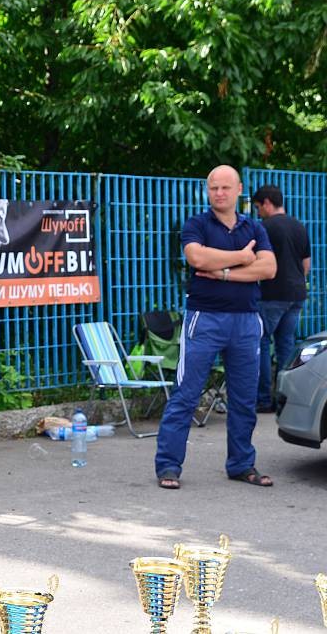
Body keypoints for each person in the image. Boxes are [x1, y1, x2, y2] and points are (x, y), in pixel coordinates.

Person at [154, 165, 277, 490]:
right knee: (186, 394)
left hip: (246, 321)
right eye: (213, 188)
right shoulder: (197, 224)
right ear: (207, 191)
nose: (219, 193)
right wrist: (242, 257)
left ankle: (241, 464)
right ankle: (168, 466)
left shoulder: (254, 226)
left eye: (225, 187)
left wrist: (224, 273)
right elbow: (197, 258)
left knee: (244, 399)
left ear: (239, 190)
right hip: (204, 319)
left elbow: (269, 268)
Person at [251, 184, 311, 413]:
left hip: (272, 294)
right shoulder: (299, 226)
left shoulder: (264, 228)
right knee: (286, 345)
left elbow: (255, 261)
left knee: (261, 342)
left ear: (267, 203)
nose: (258, 212)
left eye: (258, 207)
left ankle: (263, 399)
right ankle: (284, 400)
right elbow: (306, 265)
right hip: (297, 294)